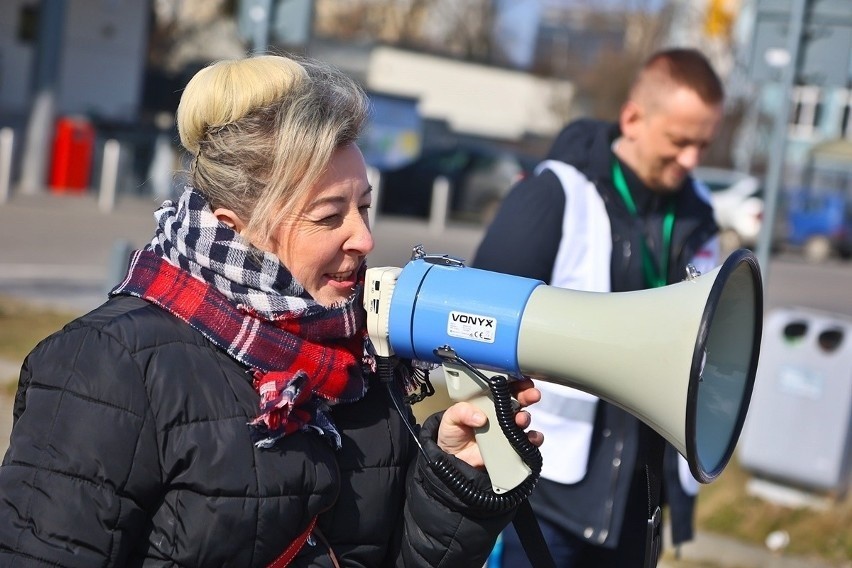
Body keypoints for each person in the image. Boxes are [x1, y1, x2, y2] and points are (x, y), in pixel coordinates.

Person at [0, 54, 543, 567]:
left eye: (364, 207)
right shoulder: (107, 365)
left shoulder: (364, 362)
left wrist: (456, 483)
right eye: (330, 217)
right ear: (235, 227)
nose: (364, 238)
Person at [473, 47, 725, 567]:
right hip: (551, 490)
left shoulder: (700, 215)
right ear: (633, 118)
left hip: (644, 495)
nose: (692, 160)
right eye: (679, 141)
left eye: (703, 144)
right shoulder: (556, 195)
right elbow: (477, 320)